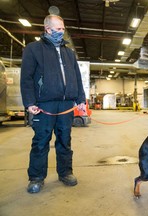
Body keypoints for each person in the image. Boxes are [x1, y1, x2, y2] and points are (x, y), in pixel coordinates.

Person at [20, 14, 86, 194]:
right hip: (43, 105)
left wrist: (81, 100)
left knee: (65, 140)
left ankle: (65, 173)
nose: (62, 32)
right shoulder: (33, 49)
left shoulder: (68, 52)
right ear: (47, 29)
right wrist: (29, 102)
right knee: (41, 142)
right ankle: (36, 177)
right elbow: (26, 78)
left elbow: (77, 78)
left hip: (66, 105)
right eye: (58, 29)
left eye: (63, 28)